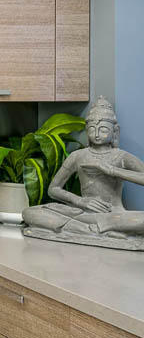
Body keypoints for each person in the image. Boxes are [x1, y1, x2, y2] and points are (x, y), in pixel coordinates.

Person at [22, 96, 144, 239]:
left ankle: (92, 229)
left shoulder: (121, 156)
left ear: (115, 131)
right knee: (29, 213)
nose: (96, 134)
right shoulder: (78, 156)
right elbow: (53, 189)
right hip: (83, 214)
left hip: (113, 214)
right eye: (92, 129)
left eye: (103, 130)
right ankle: (91, 231)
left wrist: (112, 170)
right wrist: (80, 201)